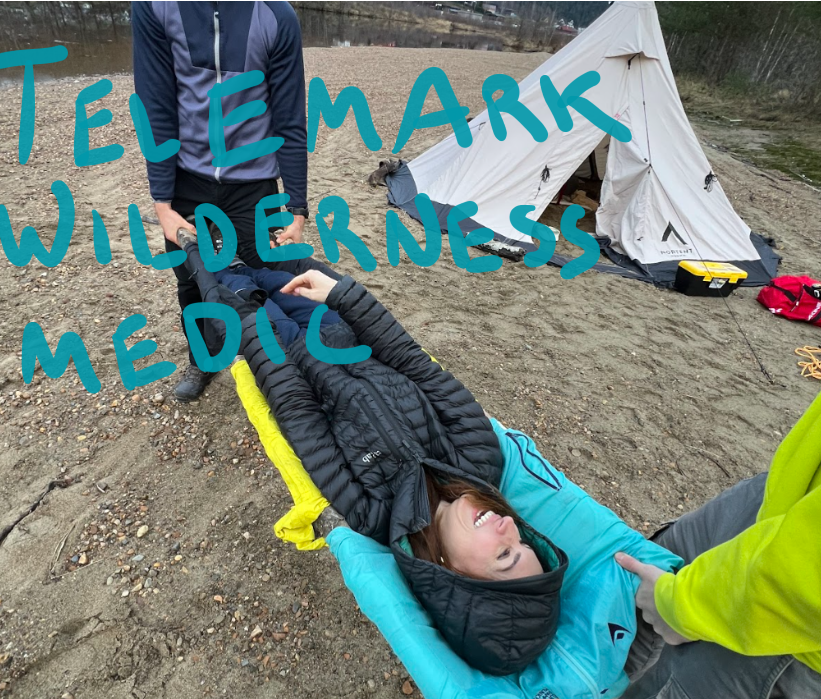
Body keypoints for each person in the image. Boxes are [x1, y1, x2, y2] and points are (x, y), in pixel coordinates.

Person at [181, 245, 810, 695]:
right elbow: (417, 365)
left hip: (289, 355)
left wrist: (247, 325)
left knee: (235, 286)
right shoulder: (480, 457)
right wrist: (344, 296)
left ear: (448, 572)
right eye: (523, 543)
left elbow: (293, 410)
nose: (512, 530)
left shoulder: (371, 512)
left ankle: (219, 268)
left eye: (504, 557)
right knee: (285, 266)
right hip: (345, 329)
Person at [132, 1, 310, 402]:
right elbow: (156, 106)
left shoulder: (276, 16)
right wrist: (162, 202)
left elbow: (289, 116)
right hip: (186, 179)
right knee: (192, 281)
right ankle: (205, 359)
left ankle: (280, 365)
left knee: (269, 277)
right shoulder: (154, 8)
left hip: (256, 182)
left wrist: (298, 206)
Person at [616, 391, 821, 698]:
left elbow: (801, 579)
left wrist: (680, 606)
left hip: (791, 631)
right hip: (788, 492)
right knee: (630, 598)